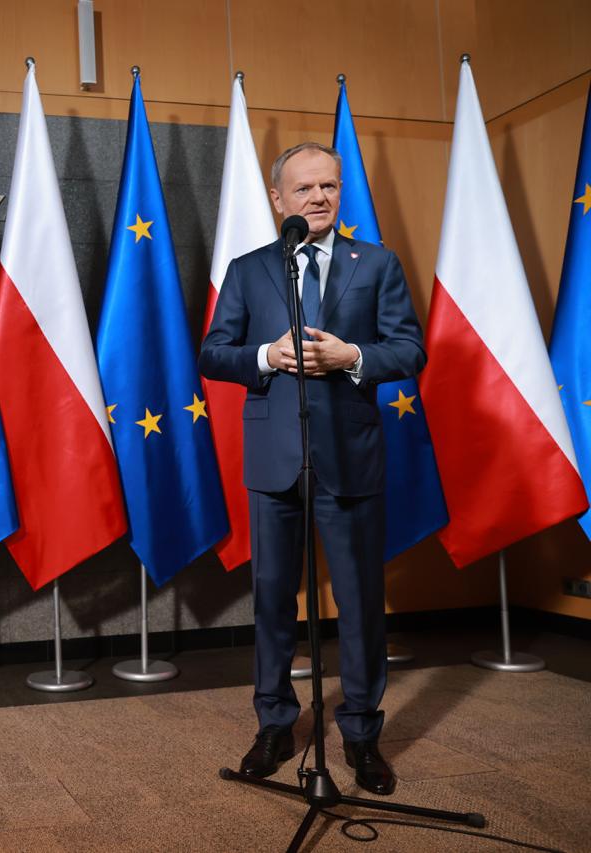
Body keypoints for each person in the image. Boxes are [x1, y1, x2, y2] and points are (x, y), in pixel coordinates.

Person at [198, 141, 425, 796]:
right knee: (273, 598)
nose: (319, 197)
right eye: (304, 188)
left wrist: (354, 356)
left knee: (359, 601)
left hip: (351, 456)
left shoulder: (376, 263)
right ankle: (274, 724)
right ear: (279, 199)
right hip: (275, 458)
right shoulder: (249, 269)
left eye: (329, 186)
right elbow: (214, 352)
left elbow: (410, 349)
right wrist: (266, 356)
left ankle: (361, 734)